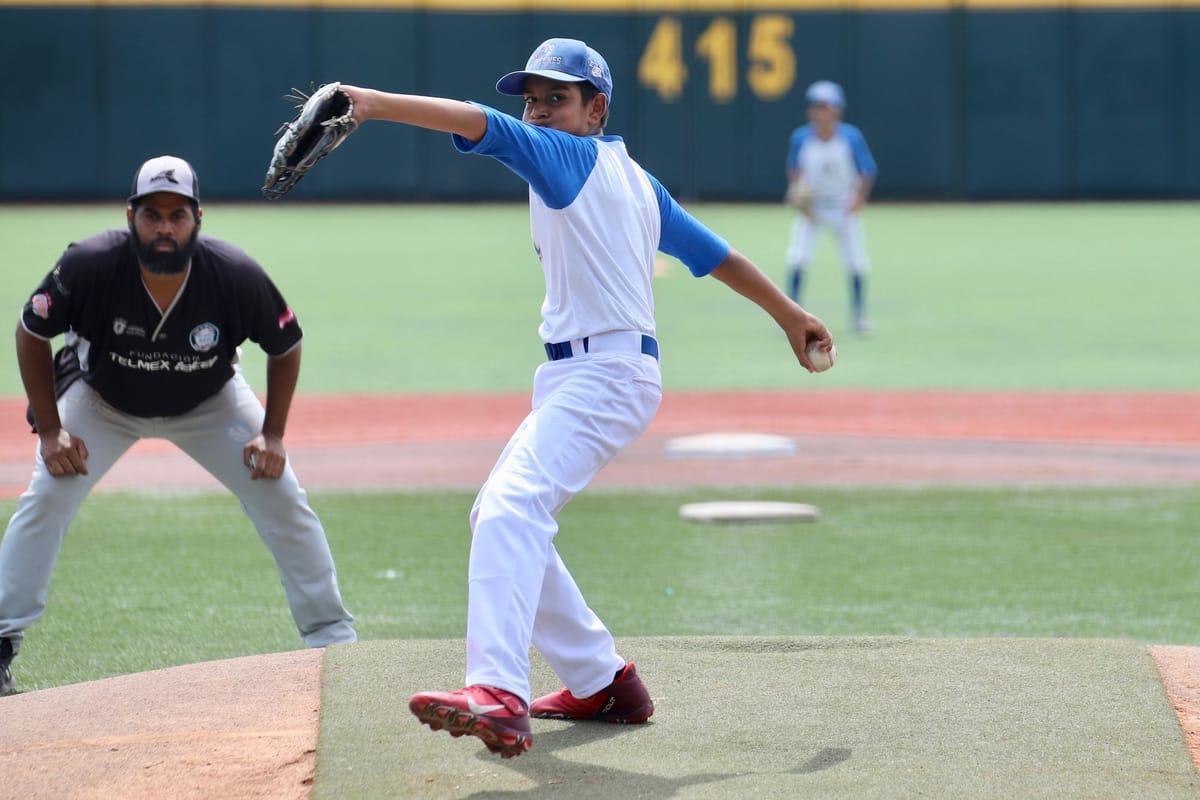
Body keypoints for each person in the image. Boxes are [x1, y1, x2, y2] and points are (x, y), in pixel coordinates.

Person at [336, 37, 833, 758]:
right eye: (532, 98)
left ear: (596, 109)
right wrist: (789, 314)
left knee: (512, 505)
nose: (537, 112)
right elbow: (713, 256)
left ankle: (498, 693)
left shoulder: (567, 156)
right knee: (499, 512)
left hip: (605, 374)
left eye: (557, 99)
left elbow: (480, 122)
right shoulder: (634, 180)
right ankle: (602, 680)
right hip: (593, 374)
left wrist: (371, 104)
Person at [0, 155, 356, 697]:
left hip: (209, 402)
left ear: (197, 219)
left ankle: (333, 639)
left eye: (177, 215)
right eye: (152, 215)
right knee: (48, 495)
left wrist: (274, 434)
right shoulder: (89, 264)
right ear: (130, 217)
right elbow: (31, 332)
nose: (164, 227)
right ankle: (3, 638)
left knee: (281, 495)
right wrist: (50, 431)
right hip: (102, 401)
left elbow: (286, 345)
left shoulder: (234, 273)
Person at [784, 79, 879, 334]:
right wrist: (799, 198)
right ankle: (791, 317)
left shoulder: (850, 137)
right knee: (797, 258)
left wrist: (858, 200)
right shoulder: (801, 138)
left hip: (842, 206)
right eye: (816, 106)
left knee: (857, 262)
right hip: (812, 208)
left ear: (837, 110)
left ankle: (859, 317)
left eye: (826, 106)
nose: (821, 112)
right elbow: (794, 170)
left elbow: (867, 170)